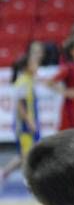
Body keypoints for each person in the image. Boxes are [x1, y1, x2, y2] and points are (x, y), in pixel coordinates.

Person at [2, 52, 42, 182]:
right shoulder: (23, 82)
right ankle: (29, 180)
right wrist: (29, 122)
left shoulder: (29, 80)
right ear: (26, 67)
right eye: (33, 64)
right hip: (24, 125)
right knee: (27, 154)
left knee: (24, 154)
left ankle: (4, 173)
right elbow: (21, 105)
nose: (37, 66)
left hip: (29, 123)